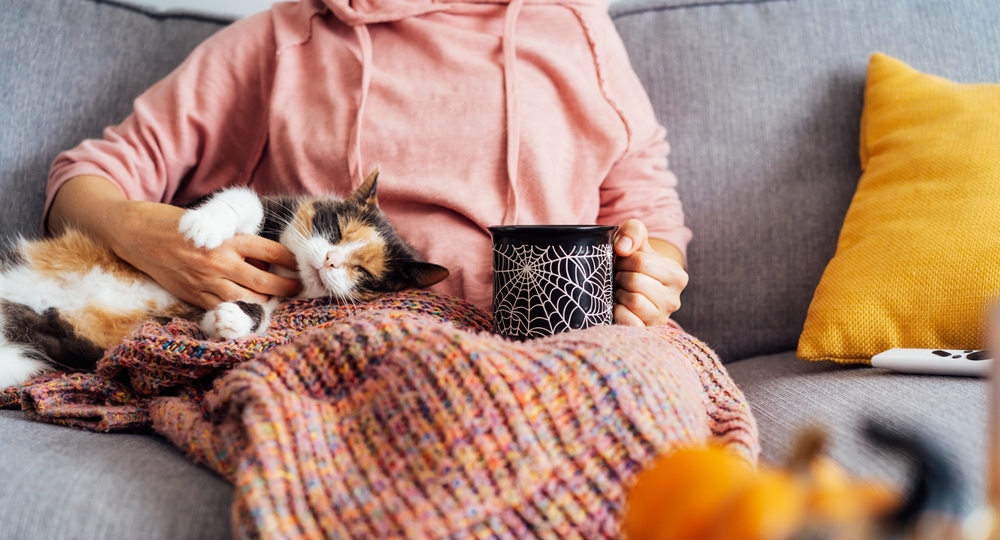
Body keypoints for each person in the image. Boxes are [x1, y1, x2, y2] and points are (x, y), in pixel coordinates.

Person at [45, 0, 690, 327]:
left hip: (559, 341)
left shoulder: (574, 29)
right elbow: (82, 180)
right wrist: (149, 237)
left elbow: (649, 216)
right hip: (345, 343)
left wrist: (648, 272)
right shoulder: (284, 40)